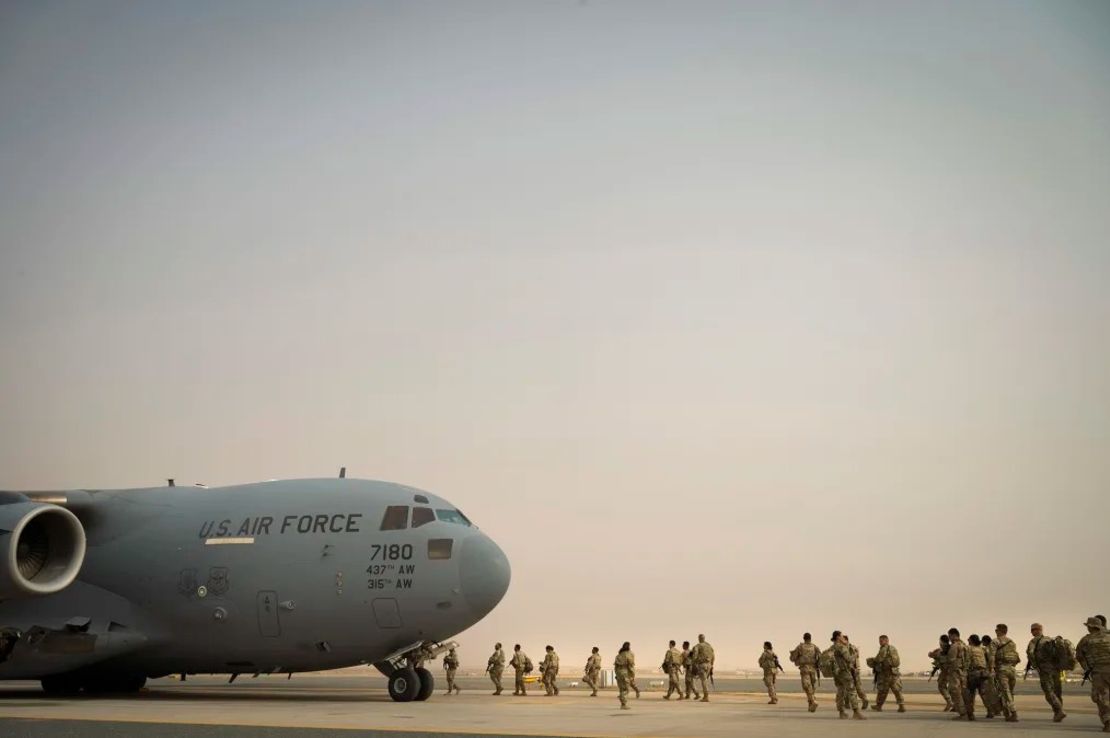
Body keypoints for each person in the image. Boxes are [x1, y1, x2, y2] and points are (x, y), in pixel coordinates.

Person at [1077, 616, 1110, 734]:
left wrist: (1087, 669)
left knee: (1101, 697)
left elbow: (1080, 656)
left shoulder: (1086, 640)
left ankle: (1108, 722)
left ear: (1090, 627)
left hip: (1099, 671)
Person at [1028, 622, 1066, 722]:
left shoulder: (1034, 641)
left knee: (1049, 692)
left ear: (1035, 630)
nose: (1031, 632)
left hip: (1045, 670)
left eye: (1032, 630)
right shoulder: (1050, 639)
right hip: (1056, 669)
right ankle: (1057, 713)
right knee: (1057, 692)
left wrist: (1036, 666)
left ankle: (1059, 710)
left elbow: (1031, 654)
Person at [832, 631, 865, 720]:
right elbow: (849, 659)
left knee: (840, 692)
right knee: (852, 691)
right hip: (844, 672)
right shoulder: (841, 647)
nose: (843, 637)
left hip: (837, 673)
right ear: (838, 637)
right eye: (841, 636)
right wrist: (855, 653)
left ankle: (841, 712)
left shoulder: (833, 647)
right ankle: (856, 712)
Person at [867, 635, 904, 713]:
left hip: (886, 673)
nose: (880, 642)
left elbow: (878, 659)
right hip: (894, 672)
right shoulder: (893, 648)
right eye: (879, 641)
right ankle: (901, 706)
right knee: (897, 690)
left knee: (882, 690)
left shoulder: (883, 649)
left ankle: (879, 706)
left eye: (881, 641)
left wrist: (871, 660)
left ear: (886, 641)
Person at [992, 624, 1020, 722]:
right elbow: (1017, 657)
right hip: (1012, 669)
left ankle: (1013, 712)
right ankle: (1007, 713)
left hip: (1002, 669)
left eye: (996, 630)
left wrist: (991, 669)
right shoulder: (1012, 642)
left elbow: (992, 657)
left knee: (1005, 692)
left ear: (998, 631)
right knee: (1009, 692)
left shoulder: (995, 641)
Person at [789, 632, 821, 712]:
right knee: (812, 687)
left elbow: (793, 658)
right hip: (813, 669)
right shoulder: (815, 647)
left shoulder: (800, 647)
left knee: (807, 686)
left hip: (805, 668)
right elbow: (820, 657)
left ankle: (813, 701)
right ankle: (811, 705)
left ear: (804, 638)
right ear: (810, 638)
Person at [946, 628, 971, 721]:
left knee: (955, 692)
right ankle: (969, 712)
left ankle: (963, 714)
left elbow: (951, 660)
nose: (949, 638)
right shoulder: (965, 646)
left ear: (953, 635)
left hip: (955, 672)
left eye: (949, 636)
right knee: (965, 693)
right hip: (964, 672)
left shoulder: (954, 646)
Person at [966, 635, 993, 718]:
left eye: (969, 639)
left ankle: (971, 714)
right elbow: (990, 659)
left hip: (973, 673)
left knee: (970, 694)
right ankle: (990, 711)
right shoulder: (984, 649)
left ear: (971, 641)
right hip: (983, 673)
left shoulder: (968, 649)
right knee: (984, 694)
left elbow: (966, 661)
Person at [928, 634, 955, 712]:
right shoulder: (942, 650)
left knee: (946, 687)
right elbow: (934, 657)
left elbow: (933, 655)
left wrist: (932, 654)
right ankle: (952, 703)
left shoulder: (948, 650)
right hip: (947, 672)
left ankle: (951, 702)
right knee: (947, 687)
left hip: (950, 672)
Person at [980, 635, 1004, 718]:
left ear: (985, 641)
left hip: (990, 673)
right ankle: (998, 709)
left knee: (990, 692)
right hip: (996, 672)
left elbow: (990, 660)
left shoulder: (988, 649)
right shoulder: (994, 648)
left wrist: (990, 670)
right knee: (996, 692)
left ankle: (995, 710)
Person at [843, 634, 869, 710]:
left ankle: (847, 703)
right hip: (855, 670)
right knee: (857, 687)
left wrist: (851, 668)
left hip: (851, 670)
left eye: (842, 640)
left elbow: (851, 660)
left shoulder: (847, 648)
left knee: (848, 687)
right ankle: (864, 699)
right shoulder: (853, 647)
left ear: (846, 640)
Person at [691, 634, 715, 702]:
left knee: (703, 681)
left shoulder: (698, 646)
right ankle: (705, 696)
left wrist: (694, 663)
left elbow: (694, 656)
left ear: (699, 639)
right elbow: (713, 656)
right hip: (709, 665)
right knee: (705, 680)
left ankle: (706, 696)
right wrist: (711, 665)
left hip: (702, 665)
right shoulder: (709, 646)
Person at [614, 642, 636, 710]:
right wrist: (632, 675)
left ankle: (622, 702)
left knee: (621, 689)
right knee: (626, 689)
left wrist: (617, 674)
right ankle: (623, 703)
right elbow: (631, 665)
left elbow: (616, 666)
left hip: (619, 673)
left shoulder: (618, 655)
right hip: (625, 673)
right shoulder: (629, 654)